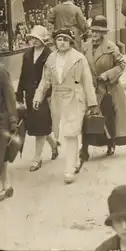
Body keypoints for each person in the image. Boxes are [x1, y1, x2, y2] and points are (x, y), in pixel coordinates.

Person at [33, 28, 98, 184]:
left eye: (65, 40)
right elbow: (45, 80)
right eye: (59, 39)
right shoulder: (51, 59)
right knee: (63, 133)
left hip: (75, 97)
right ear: (55, 41)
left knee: (71, 132)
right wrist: (38, 96)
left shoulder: (79, 58)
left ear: (70, 42)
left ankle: (69, 169)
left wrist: (92, 102)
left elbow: (87, 81)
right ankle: (74, 159)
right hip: (57, 99)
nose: (61, 43)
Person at [79, 15, 126, 170]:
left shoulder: (111, 47)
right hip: (90, 88)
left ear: (103, 33)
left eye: (98, 32)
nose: (95, 34)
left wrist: (107, 75)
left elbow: (122, 64)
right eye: (93, 31)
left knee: (107, 117)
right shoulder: (84, 47)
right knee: (87, 118)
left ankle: (110, 142)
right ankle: (84, 150)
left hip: (107, 89)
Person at [16, 25, 60, 172]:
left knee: (40, 125)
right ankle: (53, 144)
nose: (34, 41)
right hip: (29, 94)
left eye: (37, 39)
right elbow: (23, 74)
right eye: (32, 38)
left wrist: (49, 94)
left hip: (43, 95)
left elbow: (53, 77)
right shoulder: (27, 54)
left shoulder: (50, 54)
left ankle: (37, 158)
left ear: (44, 40)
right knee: (37, 125)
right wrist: (19, 91)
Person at [0, 63, 19, 203]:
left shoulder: (1, 71)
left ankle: (3, 187)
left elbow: (10, 96)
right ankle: (6, 185)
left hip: (0, 119)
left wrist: (12, 119)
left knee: (0, 153)